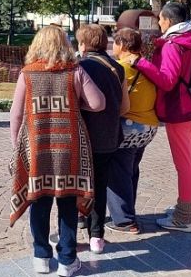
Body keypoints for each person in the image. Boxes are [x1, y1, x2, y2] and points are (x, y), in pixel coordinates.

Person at [9, 25, 105, 277]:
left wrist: (16, 146)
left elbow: (16, 114)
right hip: (69, 148)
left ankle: (41, 257)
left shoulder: (27, 74)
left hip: (37, 146)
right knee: (67, 202)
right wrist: (78, 103)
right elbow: (98, 103)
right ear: (65, 45)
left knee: (39, 200)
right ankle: (67, 261)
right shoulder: (74, 71)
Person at [130, 2, 191, 232]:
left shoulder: (174, 44)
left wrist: (141, 62)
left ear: (169, 20)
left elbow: (167, 80)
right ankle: (189, 209)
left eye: (161, 19)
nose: (160, 24)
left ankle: (183, 218)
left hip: (180, 111)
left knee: (184, 165)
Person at [75, 24, 128, 254]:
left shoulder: (80, 66)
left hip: (83, 138)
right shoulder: (118, 67)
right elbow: (125, 107)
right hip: (109, 137)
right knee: (100, 185)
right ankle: (97, 236)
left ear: (83, 45)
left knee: (79, 184)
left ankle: (79, 221)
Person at [106, 27, 159, 235]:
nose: (113, 47)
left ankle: (124, 221)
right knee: (130, 170)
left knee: (118, 173)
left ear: (122, 45)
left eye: (115, 43)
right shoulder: (147, 66)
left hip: (128, 129)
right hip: (148, 128)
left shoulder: (120, 68)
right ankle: (128, 211)